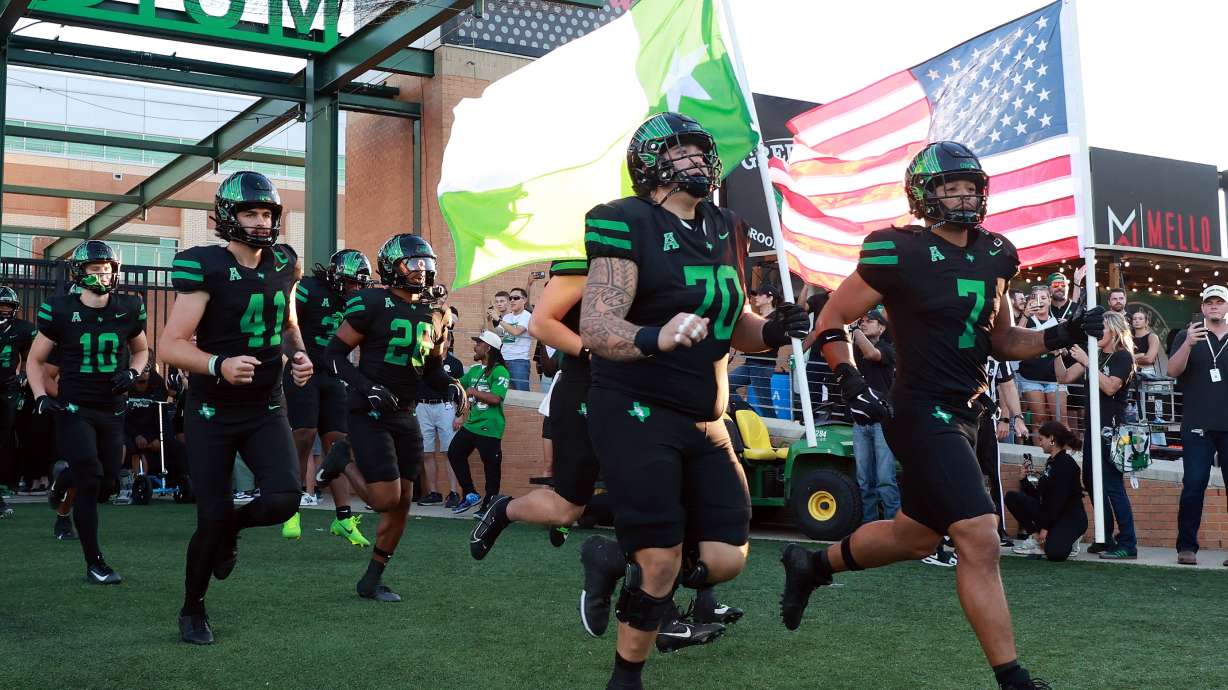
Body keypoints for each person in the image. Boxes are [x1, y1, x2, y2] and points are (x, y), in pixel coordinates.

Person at [780, 141, 1104, 690]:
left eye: (970, 186)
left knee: (916, 536)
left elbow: (1001, 339)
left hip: (969, 410)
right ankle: (1013, 679)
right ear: (924, 195)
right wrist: (847, 375)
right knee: (978, 534)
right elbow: (832, 315)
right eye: (949, 187)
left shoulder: (997, 252)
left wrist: (1061, 334)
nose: (962, 196)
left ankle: (811, 566)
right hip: (919, 409)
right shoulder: (895, 249)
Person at [578, 112, 809, 690]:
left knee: (727, 558)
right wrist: (656, 335)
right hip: (637, 405)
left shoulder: (726, 224)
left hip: (707, 414)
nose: (697, 162)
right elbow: (597, 323)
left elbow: (737, 326)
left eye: (700, 152)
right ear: (650, 165)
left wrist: (776, 329)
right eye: (681, 153)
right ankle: (626, 675)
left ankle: (615, 559)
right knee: (660, 560)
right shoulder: (621, 220)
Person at [468, 258, 743, 650]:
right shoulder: (597, 251)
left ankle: (660, 598)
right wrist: (592, 348)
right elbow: (541, 323)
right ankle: (506, 510)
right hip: (590, 388)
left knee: (674, 498)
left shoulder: (666, 249)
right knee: (568, 507)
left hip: (647, 391)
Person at [160, 170, 314, 644]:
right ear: (227, 216)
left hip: (266, 403)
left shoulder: (284, 262)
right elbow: (171, 344)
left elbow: (287, 323)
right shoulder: (203, 265)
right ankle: (192, 608)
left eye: (266, 212)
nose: (261, 221)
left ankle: (231, 531)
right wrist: (219, 363)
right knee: (209, 515)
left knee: (285, 498)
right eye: (250, 212)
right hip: (212, 411)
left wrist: (299, 354)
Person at [314, 233, 459, 602]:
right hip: (370, 411)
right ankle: (343, 459)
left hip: (406, 414)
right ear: (392, 266)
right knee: (383, 500)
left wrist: (452, 385)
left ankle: (372, 578)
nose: (422, 271)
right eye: (414, 263)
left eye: (427, 264)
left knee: (403, 503)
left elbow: (431, 371)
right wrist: (366, 386)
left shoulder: (436, 313)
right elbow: (333, 355)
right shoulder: (371, 302)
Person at [26, 240, 149, 584]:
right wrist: (39, 395)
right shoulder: (60, 309)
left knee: (107, 481)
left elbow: (141, 350)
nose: (102, 274)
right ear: (80, 273)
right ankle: (95, 562)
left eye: (107, 269)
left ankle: (61, 482)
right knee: (91, 478)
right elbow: (35, 360)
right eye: (95, 269)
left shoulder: (129, 306)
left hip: (112, 409)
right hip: (74, 407)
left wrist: (133, 372)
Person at [281, 249, 373, 547]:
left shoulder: (358, 301)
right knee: (304, 434)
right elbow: (286, 327)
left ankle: (344, 518)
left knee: (338, 445)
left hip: (334, 375)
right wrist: (296, 357)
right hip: (303, 368)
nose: (355, 289)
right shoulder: (308, 289)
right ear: (336, 277)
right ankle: (291, 505)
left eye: (360, 284)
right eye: (351, 283)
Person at [1054, 311, 1137, 560]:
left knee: (1112, 485)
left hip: (1111, 430)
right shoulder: (1095, 353)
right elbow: (1063, 377)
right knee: (1091, 480)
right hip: (1093, 428)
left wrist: (1089, 361)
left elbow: (1111, 386)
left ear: (1114, 330)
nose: (1097, 333)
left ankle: (1128, 543)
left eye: (1101, 328)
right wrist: (1058, 354)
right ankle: (1105, 536)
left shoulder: (1123, 357)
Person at [1165, 285, 1228, 567]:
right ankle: (1186, 546)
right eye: (1209, 303)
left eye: (1219, 302)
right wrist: (1188, 344)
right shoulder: (1187, 334)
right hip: (1197, 424)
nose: (1214, 307)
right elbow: (1172, 371)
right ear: (1202, 307)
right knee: (1193, 484)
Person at [447, 331, 509, 516]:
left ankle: (489, 506)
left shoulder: (500, 370)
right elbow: (458, 384)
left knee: (491, 467)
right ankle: (470, 493)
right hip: (471, 424)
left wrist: (474, 391)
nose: (475, 346)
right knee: (454, 453)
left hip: (490, 426)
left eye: (479, 344)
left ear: (488, 348)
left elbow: (497, 398)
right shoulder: (474, 370)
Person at [1006, 421, 1087, 561]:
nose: (1039, 443)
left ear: (1052, 439)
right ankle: (1036, 537)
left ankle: (1071, 539)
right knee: (1012, 497)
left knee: (1055, 554)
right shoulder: (1051, 462)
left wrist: (1045, 527)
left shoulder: (1066, 464)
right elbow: (1040, 496)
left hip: (1070, 516)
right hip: (1052, 513)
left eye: (1041, 439)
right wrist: (1023, 480)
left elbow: (1058, 500)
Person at [847, 309, 899, 524]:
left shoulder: (888, 350)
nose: (864, 324)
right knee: (864, 481)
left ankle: (894, 530)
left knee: (886, 479)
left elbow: (872, 354)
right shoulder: (856, 349)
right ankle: (869, 530)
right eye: (862, 320)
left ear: (882, 327)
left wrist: (855, 331)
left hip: (882, 424)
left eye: (870, 321)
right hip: (860, 423)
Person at [980, 357, 1029, 546]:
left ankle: (998, 530)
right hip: (961, 416)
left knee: (994, 474)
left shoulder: (998, 354)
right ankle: (953, 529)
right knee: (962, 472)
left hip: (987, 418)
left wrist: (1014, 417)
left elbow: (1007, 386)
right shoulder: (964, 340)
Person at [416, 329, 464, 509]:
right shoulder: (422, 360)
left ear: (450, 343)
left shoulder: (454, 363)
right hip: (423, 406)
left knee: (449, 451)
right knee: (426, 452)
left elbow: (461, 390)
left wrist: (459, 413)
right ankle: (434, 492)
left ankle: (453, 492)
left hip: (445, 406)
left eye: (444, 340)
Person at [0, 285, 36, 518]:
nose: (4, 310)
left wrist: (23, 374)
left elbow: (31, 356)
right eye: (1, 306)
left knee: (4, 439)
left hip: (7, 389)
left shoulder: (24, 329)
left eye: (8, 306)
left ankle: (6, 482)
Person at [1014, 285, 1065, 440]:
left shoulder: (1059, 322)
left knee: (1060, 422)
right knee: (1039, 421)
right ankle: (1040, 458)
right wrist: (1025, 315)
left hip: (1055, 377)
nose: (1039, 301)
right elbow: (1014, 339)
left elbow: (1068, 351)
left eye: (1043, 297)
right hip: (1031, 377)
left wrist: (1061, 346)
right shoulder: (1026, 320)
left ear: (1050, 300)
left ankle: (1063, 456)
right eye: (1035, 297)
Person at [729, 284, 781, 413]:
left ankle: (765, 422)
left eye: (760, 294)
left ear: (769, 298)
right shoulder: (759, 319)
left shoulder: (776, 318)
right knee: (725, 386)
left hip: (762, 365)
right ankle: (748, 413)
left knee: (765, 404)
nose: (756, 297)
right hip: (750, 363)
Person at [498, 287, 533, 391]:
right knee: (504, 394)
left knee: (522, 394)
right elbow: (498, 335)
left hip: (519, 361)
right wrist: (490, 320)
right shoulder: (507, 317)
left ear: (524, 300)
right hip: (503, 359)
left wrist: (498, 320)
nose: (512, 300)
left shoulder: (527, 316)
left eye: (516, 298)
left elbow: (516, 332)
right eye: (510, 298)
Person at [1130, 310, 1161, 376]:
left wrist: (1131, 359)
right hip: (1130, 371)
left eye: (1140, 319)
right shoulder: (1128, 337)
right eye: (1134, 319)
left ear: (1146, 322)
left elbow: (1149, 359)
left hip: (1147, 372)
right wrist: (1140, 355)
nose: (1137, 321)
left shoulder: (1152, 337)